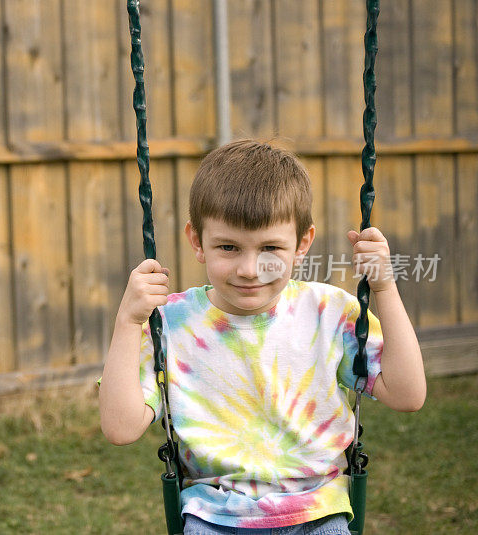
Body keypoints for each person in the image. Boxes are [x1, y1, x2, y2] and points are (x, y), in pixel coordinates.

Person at [98, 139, 426, 534]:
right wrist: (128, 323)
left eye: (270, 247)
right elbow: (120, 428)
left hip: (318, 510)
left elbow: (408, 395)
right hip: (213, 515)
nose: (249, 269)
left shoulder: (329, 314)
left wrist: (386, 290)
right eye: (228, 247)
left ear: (302, 244)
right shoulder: (171, 323)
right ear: (197, 241)